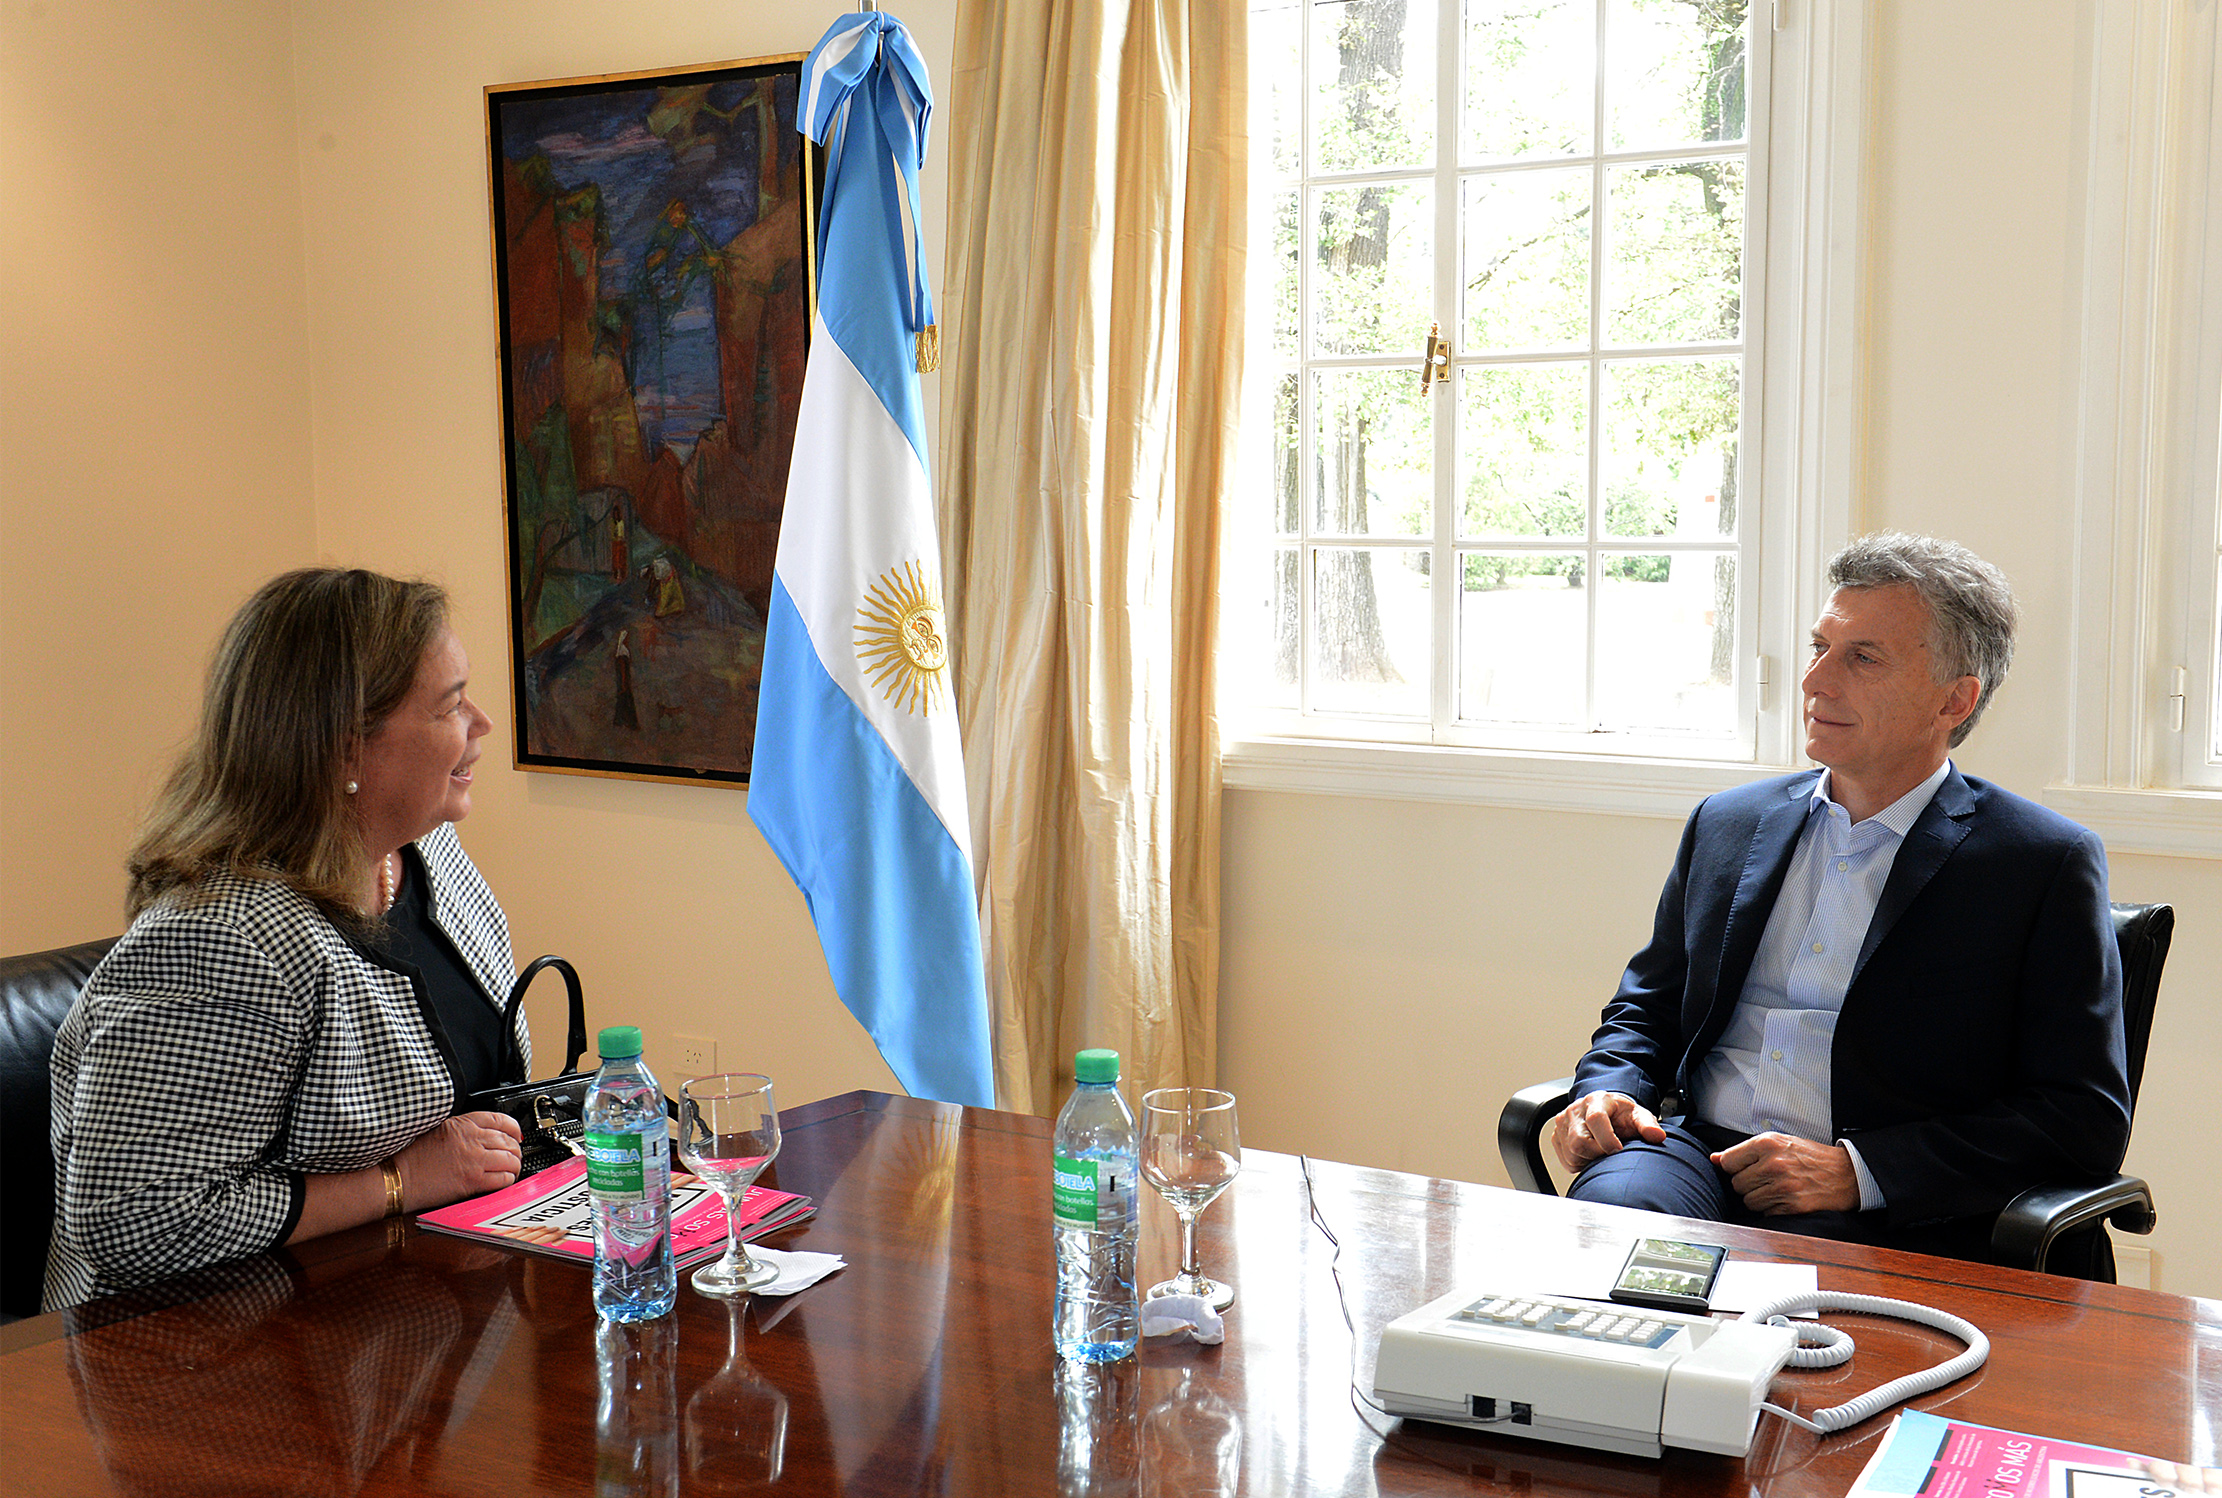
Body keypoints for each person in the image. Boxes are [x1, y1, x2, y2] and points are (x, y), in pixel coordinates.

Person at [1547, 533, 2131, 1278]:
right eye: (1820, 646)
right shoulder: (1726, 824)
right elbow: (1646, 1011)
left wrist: (1859, 1169)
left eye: (1862, 657)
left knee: (1797, 1325)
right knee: (1607, 1239)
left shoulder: (2040, 862)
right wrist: (1608, 1093)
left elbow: (2080, 1117)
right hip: (1691, 1155)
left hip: (1881, 1205)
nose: (1816, 680)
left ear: (1954, 700)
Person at [46, 568, 527, 1310]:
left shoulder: (427, 855)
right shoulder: (222, 937)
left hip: (413, 1314)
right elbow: (132, 1221)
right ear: (343, 754)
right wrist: (401, 1182)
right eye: (451, 706)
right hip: (216, 1360)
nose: (483, 725)